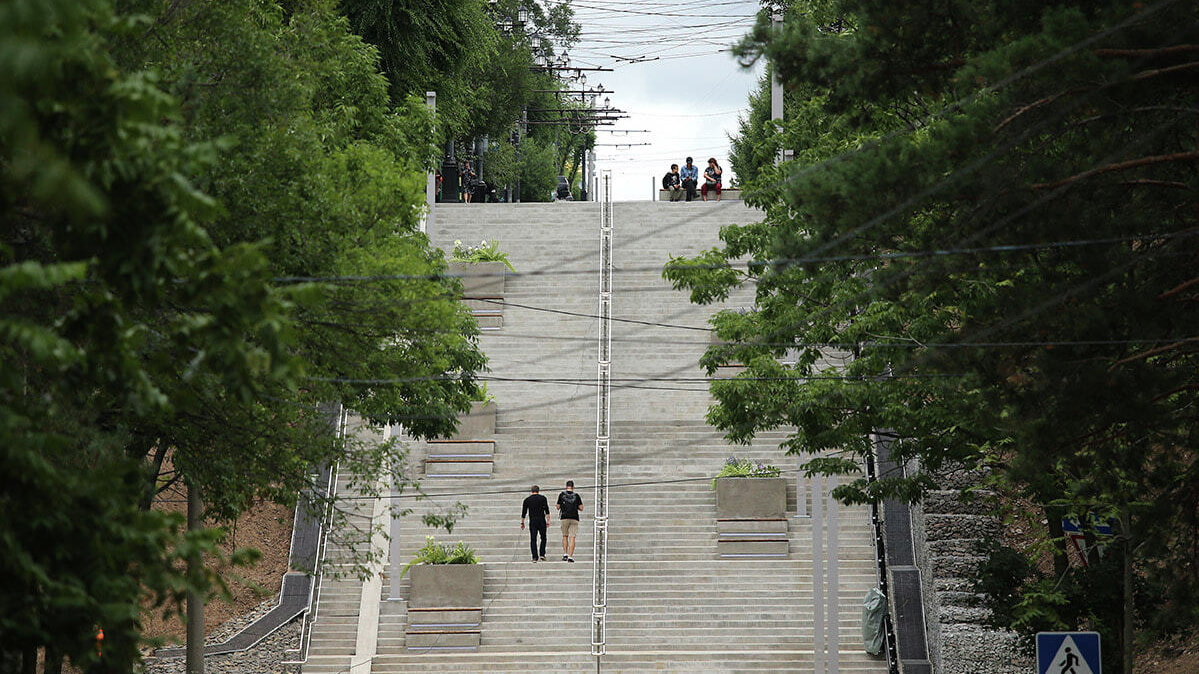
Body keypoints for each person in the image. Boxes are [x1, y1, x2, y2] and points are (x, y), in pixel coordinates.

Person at [521, 485, 550, 562]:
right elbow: (547, 510)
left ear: (531, 491)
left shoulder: (527, 500)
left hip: (533, 520)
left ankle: (534, 557)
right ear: (538, 491)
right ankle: (542, 554)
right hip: (541, 519)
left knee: (533, 539)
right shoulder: (543, 498)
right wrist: (548, 521)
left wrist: (522, 522)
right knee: (543, 537)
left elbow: (524, 512)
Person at [557, 480, 583, 562]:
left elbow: (558, 507)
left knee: (565, 536)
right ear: (573, 487)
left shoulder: (561, 495)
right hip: (574, 518)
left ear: (566, 486)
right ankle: (570, 556)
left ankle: (565, 554)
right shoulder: (577, 496)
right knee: (572, 537)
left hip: (564, 517)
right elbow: (581, 508)